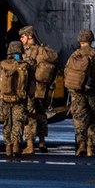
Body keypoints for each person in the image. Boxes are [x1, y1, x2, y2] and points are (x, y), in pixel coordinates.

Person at [65, 29, 95, 157]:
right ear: (91, 40)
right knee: (94, 118)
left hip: (77, 92)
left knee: (79, 118)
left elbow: (67, 72)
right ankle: (90, 146)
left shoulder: (75, 55)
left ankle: (81, 144)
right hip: (94, 91)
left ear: (80, 41)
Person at [20, 25, 58, 154]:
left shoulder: (26, 52)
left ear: (29, 36)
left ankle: (30, 144)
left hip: (29, 89)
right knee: (41, 115)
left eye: (23, 36)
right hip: (42, 89)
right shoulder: (44, 51)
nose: (21, 39)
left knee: (29, 116)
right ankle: (42, 142)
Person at [0, 41, 29, 158]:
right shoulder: (25, 65)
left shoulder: (1, 64)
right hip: (19, 99)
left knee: (7, 123)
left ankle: (8, 147)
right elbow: (31, 84)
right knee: (18, 122)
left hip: (4, 99)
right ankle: (16, 144)